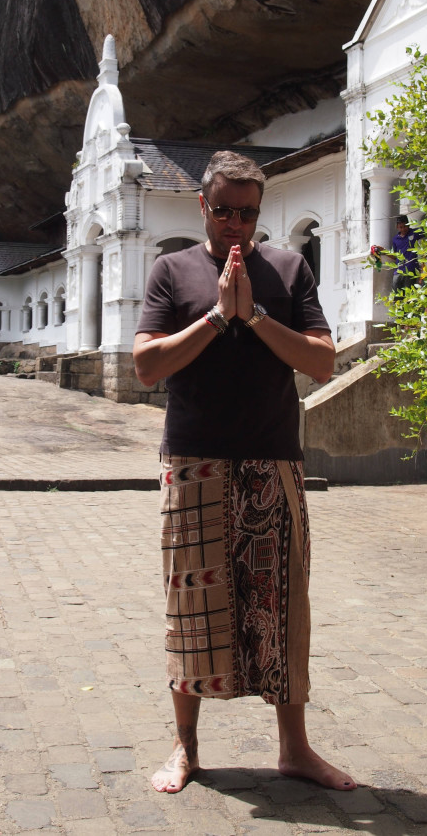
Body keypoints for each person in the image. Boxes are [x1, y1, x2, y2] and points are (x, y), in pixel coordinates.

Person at [133, 150, 356, 795]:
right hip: (194, 459)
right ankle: (185, 747)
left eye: (248, 213)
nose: (235, 223)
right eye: (224, 210)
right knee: (192, 605)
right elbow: (146, 367)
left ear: (259, 214)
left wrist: (254, 315)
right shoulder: (171, 271)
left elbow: (322, 362)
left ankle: (295, 749)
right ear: (203, 205)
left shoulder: (288, 268)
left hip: (273, 457)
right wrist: (216, 317)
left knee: (283, 604)